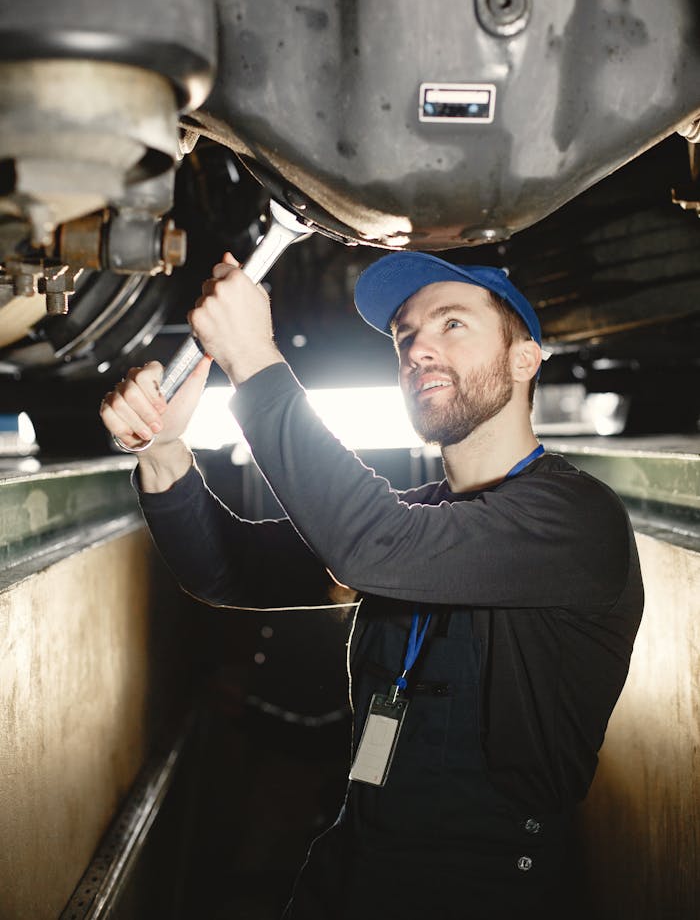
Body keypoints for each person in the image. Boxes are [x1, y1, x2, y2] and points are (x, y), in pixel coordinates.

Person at [100, 250, 644, 920]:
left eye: (452, 325)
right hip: (353, 860)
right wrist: (162, 449)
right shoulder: (413, 518)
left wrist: (251, 356)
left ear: (525, 358)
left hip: (485, 888)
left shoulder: (575, 520)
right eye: (403, 334)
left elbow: (368, 544)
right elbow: (223, 568)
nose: (418, 348)